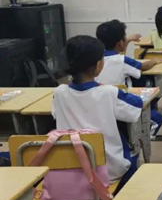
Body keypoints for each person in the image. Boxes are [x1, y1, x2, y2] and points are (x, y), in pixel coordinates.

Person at [51, 36, 142, 187]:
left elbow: (55, 114)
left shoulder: (59, 92)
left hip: (70, 167)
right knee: (131, 155)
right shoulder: (109, 92)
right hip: (108, 169)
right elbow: (135, 109)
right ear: (98, 64)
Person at [95, 19, 162, 137]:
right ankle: (140, 140)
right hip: (119, 106)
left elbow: (118, 57)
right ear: (120, 42)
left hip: (98, 108)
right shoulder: (123, 61)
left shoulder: (95, 60)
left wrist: (127, 41)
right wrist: (154, 60)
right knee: (156, 118)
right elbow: (143, 66)